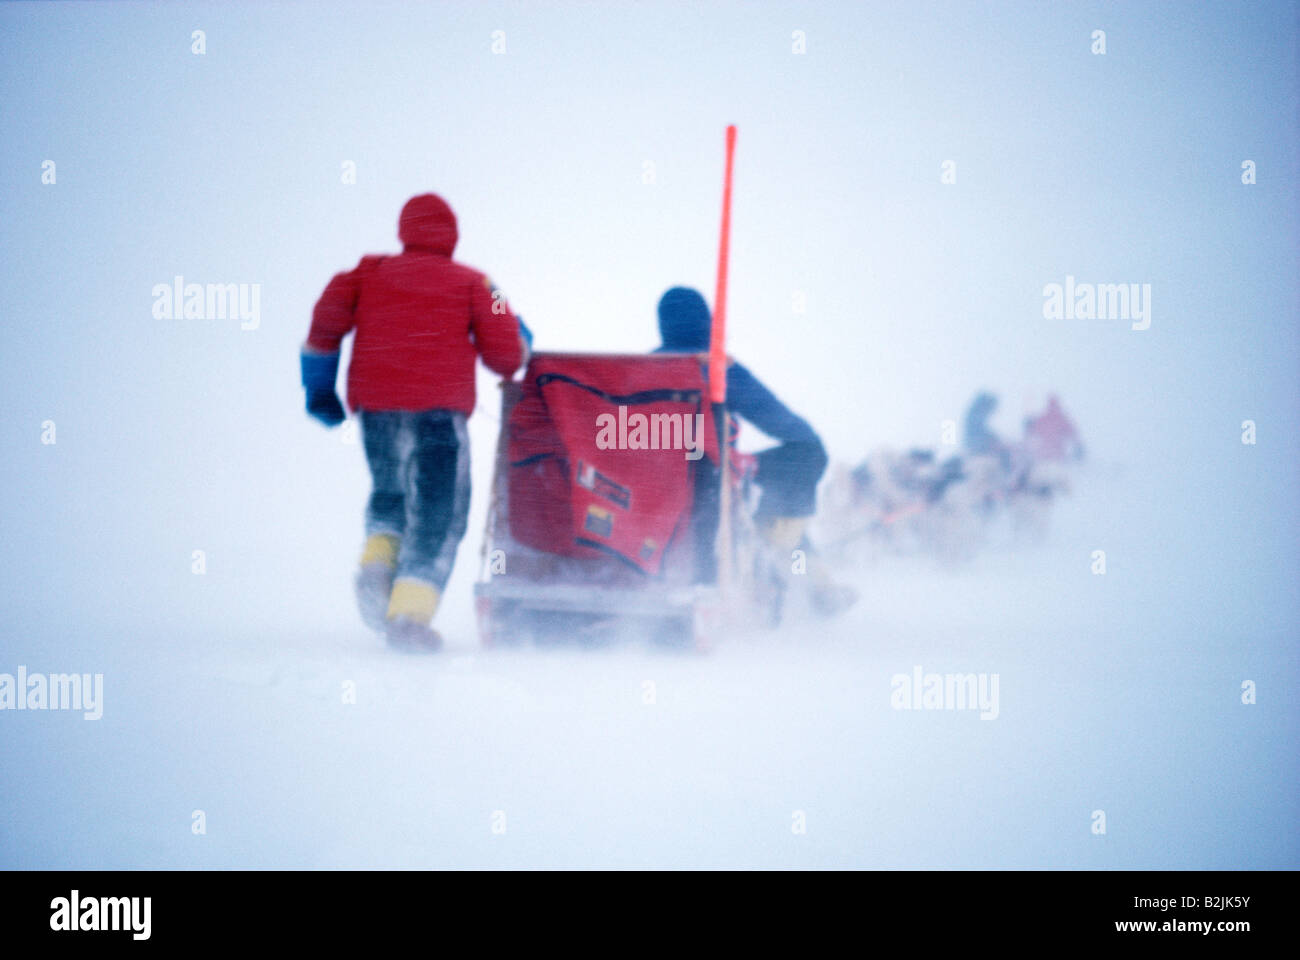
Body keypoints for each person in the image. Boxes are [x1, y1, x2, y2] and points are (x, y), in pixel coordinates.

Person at [301, 193, 530, 650]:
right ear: (453, 235)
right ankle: (409, 617)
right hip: (439, 418)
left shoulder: (365, 274)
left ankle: (377, 566)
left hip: (376, 413)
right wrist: (520, 334)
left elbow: (324, 323)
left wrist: (319, 389)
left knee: (390, 494)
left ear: (404, 231)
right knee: (438, 516)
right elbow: (507, 354)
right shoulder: (477, 284)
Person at [653, 286, 854, 617]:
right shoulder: (717, 369)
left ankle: (808, 570)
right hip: (711, 485)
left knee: (745, 483)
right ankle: (804, 567)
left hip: (651, 492)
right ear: (709, 324)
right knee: (807, 454)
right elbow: (792, 431)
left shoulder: (639, 373)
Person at [1023, 394, 1083, 462]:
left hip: (1044, 454)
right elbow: (1073, 434)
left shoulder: (1043, 419)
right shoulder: (1062, 420)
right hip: (1058, 455)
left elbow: (1031, 432)